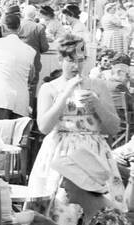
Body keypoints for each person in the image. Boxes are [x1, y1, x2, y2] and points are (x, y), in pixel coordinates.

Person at [27, 31, 122, 204]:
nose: (76, 66)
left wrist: (97, 104)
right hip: (60, 151)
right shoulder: (49, 88)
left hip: (94, 153)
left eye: (80, 60)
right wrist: (64, 96)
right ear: (60, 60)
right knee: (59, 203)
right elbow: (44, 127)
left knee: (96, 206)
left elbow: (114, 128)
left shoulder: (98, 85)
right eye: (70, 60)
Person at [0, 10, 36, 119]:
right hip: (21, 102)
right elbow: (31, 76)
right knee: (15, 135)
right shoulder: (30, 50)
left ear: (2, 28)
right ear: (20, 29)